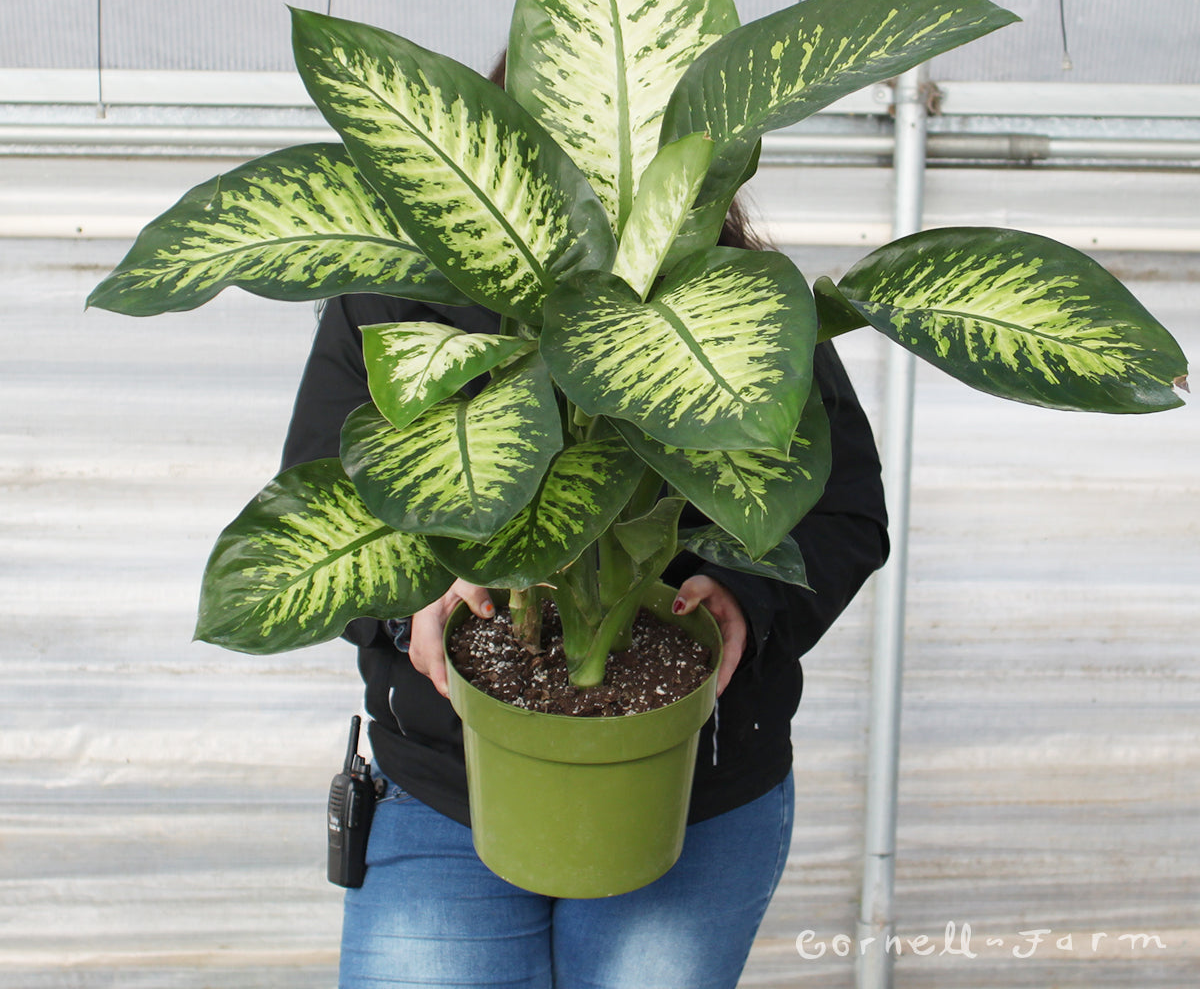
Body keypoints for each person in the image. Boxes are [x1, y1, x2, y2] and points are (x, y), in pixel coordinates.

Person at [280, 77, 888, 988]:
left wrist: (748, 599)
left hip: (697, 789)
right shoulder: (398, 305)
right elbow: (316, 508)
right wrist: (421, 597)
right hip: (445, 783)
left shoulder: (739, 312)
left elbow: (845, 512)